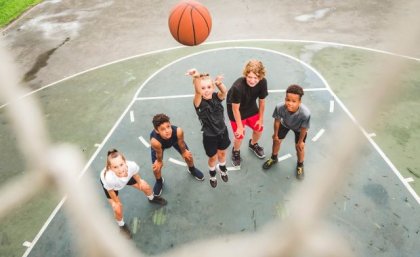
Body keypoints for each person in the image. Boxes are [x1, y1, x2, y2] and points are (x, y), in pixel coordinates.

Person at [100, 149, 167, 238]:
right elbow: (110, 191)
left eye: (121, 164)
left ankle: (152, 198)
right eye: (115, 167)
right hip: (113, 187)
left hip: (127, 178)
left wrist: (140, 183)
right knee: (117, 209)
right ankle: (121, 226)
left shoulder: (131, 165)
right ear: (110, 168)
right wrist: (117, 202)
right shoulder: (108, 178)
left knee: (146, 186)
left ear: (125, 161)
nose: (120, 169)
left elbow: (135, 174)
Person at [186, 68, 231, 188]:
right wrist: (196, 77)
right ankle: (212, 173)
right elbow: (198, 93)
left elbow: (224, 92)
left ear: (213, 88)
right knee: (213, 157)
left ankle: (222, 168)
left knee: (222, 153)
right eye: (203, 88)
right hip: (209, 135)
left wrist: (219, 83)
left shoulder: (217, 97)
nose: (206, 90)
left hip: (222, 131)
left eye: (209, 87)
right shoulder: (198, 102)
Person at [262, 84, 311, 180]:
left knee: (299, 148)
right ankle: (273, 158)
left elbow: (304, 128)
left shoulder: (305, 113)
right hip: (285, 124)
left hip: (299, 129)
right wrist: (275, 134)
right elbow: (277, 121)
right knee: (276, 141)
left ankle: (300, 164)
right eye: (287, 100)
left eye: (294, 101)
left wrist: (301, 141)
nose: (289, 103)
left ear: (299, 102)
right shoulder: (280, 107)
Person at [226, 59, 268, 167]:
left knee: (259, 128)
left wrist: (260, 119)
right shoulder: (238, 87)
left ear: (260, 77)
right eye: (249, 77)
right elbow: (235, 109)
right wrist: (240, 127)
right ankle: (236, 151)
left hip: (250, 106)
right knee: (239, 135)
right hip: (236, 110)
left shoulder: (263, 82)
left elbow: (262, 102)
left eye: (256, 78)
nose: (252, 80)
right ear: (245, 75)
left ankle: (253, 144)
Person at [150, 113, 204, 196]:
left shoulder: (178, 131)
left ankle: (192, 169)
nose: (167, 131)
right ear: (157, 131)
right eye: (163, 129)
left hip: (174, 141)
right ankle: (159, 181)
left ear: (170, 124)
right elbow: (159, 153)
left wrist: (184, 152)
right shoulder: (155, 141)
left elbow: (181, 143)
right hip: (160, 146)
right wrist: (159, 162)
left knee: (188, 156)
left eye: (168, 126)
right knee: (156, 168)